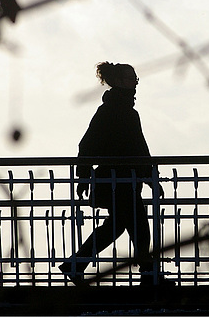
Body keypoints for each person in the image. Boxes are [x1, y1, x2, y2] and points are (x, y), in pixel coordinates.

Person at [60, 62, 165, 286]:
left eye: (135, 79)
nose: (135, 83)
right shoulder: (117, 112)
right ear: (118, 81)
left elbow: (134, 150)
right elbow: (136, 150)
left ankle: (76, 264)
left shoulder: (117, 111)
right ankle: (148, 274)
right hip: (119, 181)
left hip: (118, 181)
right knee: (139, 227)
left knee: (116, 226)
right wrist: (150, 178)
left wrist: (85, 175)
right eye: (130, 79)